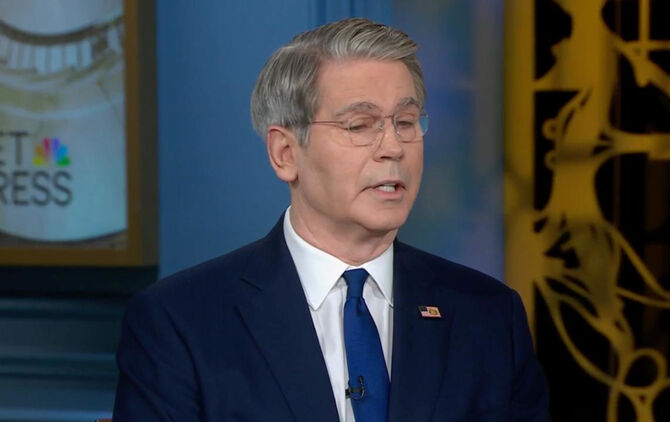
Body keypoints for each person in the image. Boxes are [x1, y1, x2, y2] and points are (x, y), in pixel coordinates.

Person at [112, 17, 549, 422]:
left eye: (405, 121)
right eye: (360, 125)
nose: (393, 147)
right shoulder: (181, 322)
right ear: (285, 153)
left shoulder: (489, 315)